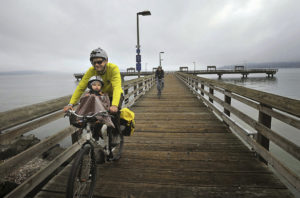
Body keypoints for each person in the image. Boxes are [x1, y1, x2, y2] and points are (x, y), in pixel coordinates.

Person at [63, 47, 124, 142]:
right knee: (92, 115)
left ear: (106, 61)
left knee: (113, 114)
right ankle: (96, 135)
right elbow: (81, 87)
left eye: (99, 62)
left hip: (114, 95)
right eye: (94, 62)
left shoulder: (113, 68)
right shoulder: (91, 70)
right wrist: (71, 104)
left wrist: (115, 105)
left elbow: (116, 87)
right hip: (100, 95)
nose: (96, 64)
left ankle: (116, 133)